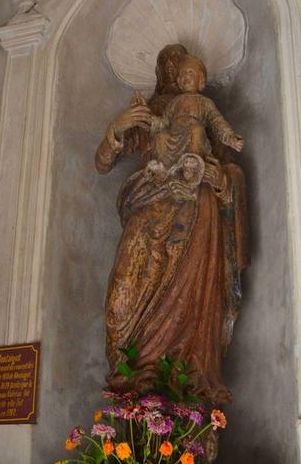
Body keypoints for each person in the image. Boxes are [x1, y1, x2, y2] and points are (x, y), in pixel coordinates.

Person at [95, 45, 249, 404]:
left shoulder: (204, 112)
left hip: (197, 210)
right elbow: (103, 162)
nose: (174, 74)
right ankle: (130, 373)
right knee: (121, 297)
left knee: (193, 292)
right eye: (169, 68)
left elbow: (232, 170)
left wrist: (218, 178)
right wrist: (115, 128)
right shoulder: (149, 113)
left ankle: (183, 385)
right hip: (148, 203)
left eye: (181, 67)